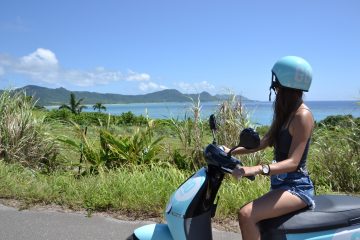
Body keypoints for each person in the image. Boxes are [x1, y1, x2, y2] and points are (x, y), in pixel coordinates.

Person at [222, 56, 315, 240]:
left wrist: (256, 169)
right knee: (259, 222)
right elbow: (263, 142)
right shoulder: (285, 113)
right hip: (281, 185)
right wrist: (231, 151)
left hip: (297, 187)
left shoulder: (302, 116)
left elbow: (293, 163)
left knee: (246, 214)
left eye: (276, 83)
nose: (274, 87)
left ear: (285, 83)